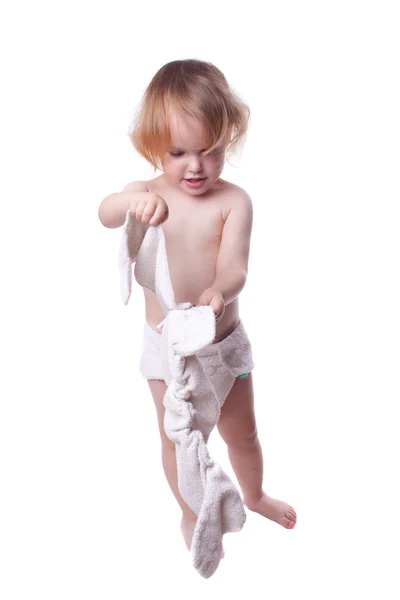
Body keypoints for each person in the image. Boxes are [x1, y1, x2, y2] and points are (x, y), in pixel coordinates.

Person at [98, 59, 297, 553]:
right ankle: (191, 512)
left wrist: (219, 293)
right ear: (153, 147)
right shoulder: (145, 193)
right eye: (178, 152)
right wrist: (131, 206)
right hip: (165, 349)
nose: (195, 165)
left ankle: (255, 494)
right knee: (176, 440)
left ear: (227, 141)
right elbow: (106, 213)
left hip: (224, 345)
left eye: (208, 151)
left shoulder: (234, 201)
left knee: (243, 431)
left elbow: (236, 267)